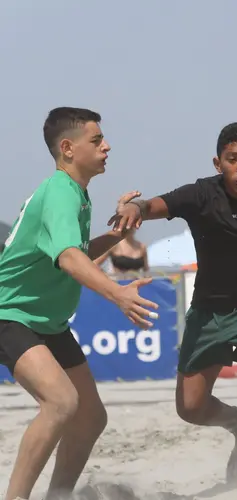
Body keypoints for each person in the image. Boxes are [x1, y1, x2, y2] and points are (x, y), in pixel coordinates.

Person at [109, 121, 237, 482]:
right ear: (218, 163)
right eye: (232, 159)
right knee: (191, 407)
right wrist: (135, 206)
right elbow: (152, 204)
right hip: (209, 309)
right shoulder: (201, 195)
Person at [0, 107, 158, 500]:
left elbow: (78, 251)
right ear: (68, 148)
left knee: (90, 417)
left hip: (47, 322)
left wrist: (120, 232)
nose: (107, 146)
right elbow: (70, 258)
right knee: (61, 403)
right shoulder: (58, 191)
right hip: (10, 314)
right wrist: (118, 293)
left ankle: (57, 496)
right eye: (97, 139)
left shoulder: (76, 193)